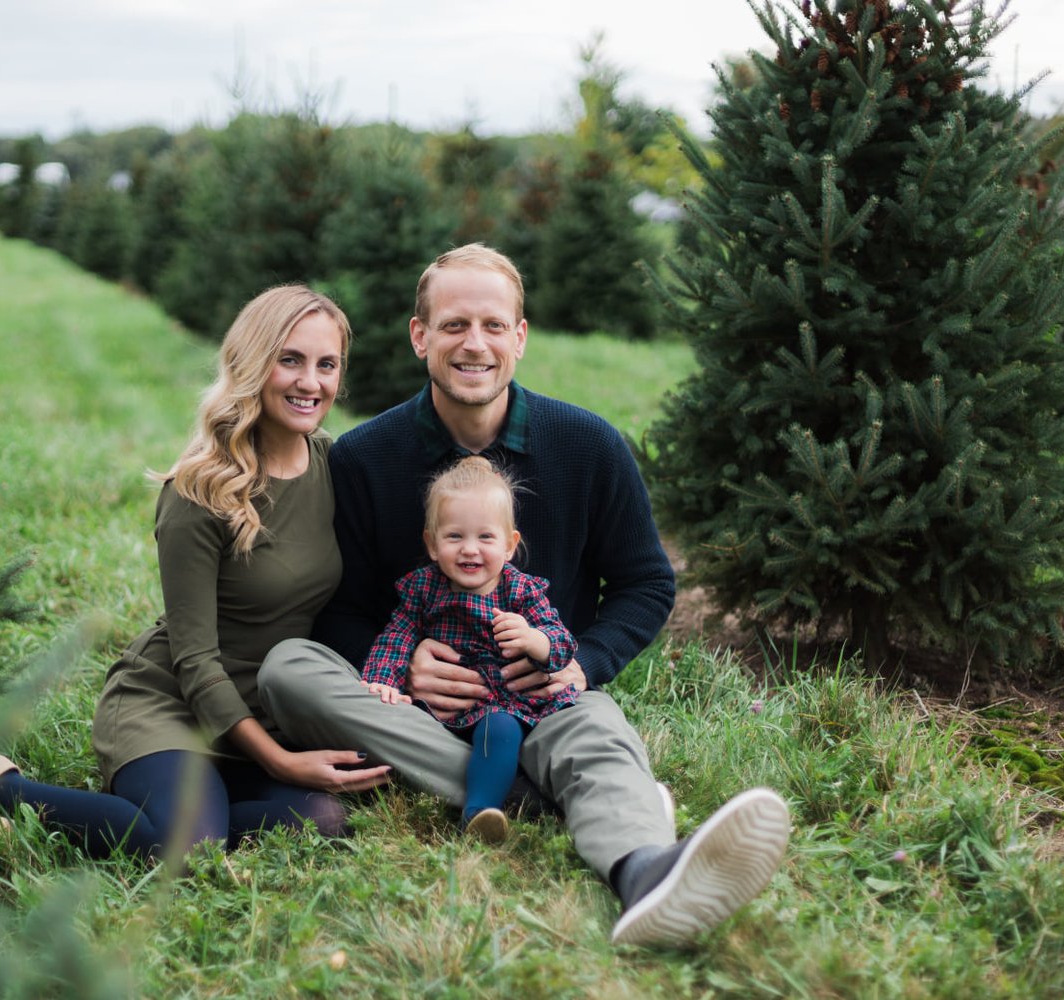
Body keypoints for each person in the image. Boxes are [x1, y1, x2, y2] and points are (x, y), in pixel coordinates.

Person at [259, 245, 791, 948]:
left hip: (538, 701)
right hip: (411, 712)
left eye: (491, 324)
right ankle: (549, 799)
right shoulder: (363, 458)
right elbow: (341, 605)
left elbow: (646, 581)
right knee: (287, 668)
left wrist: (582, 663)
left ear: (520, 336)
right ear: (421, 337)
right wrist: (402, 661)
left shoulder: (589, 445)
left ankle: (646, 874)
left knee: (596, 725)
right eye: (452, 325)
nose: (473, 343)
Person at [0, 284, 390, 866]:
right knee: (184, 849)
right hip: (173, 704)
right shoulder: (200, 491)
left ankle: (179, 809)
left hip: (267, 714)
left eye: (327, 365)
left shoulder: (334, 465)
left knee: (325, 820)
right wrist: (279, 762)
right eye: (290, 360)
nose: (311, 382)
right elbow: (195, 662)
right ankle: (6, 789)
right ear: (253, 363)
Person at [361, 455, 579, 843]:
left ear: (510, 545)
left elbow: (561, 642)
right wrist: (382, 681)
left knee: (501, 728)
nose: (470, 550)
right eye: (455, 536)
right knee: (393, 722)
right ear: (431, 543)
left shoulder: (520, 592)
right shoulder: (425, 590)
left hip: (504, 705)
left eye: (485, 537)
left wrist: (534, 639)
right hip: (440, 708)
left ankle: (477, 815)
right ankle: (506, 792)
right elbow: (396, 638)